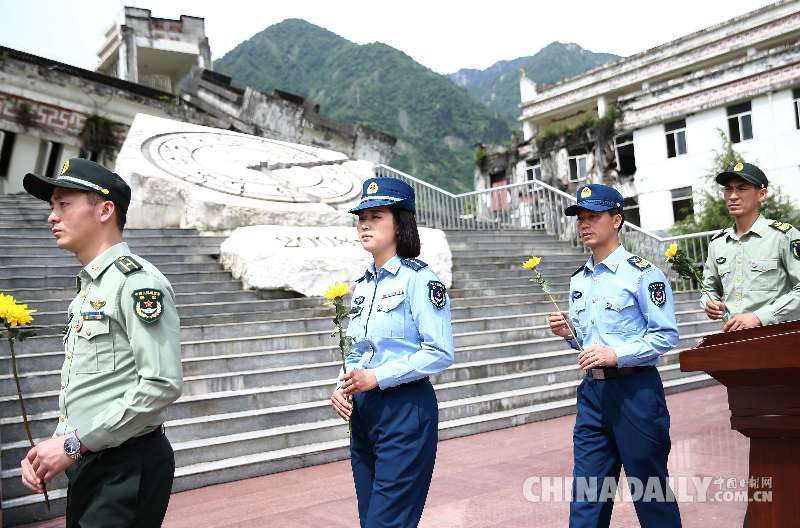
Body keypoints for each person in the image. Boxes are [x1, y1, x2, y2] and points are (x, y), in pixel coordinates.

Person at [19, 158, 183, 527]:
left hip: (125, 466)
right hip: (93, 460)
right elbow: (97, 386)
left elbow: (161, 384)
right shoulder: (92, 287)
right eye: (52, 207)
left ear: (105, 210)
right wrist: (55, 447)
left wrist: (72, 444)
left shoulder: (137, 283)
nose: (52, 217)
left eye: (64, 204)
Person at [547, 184, 681, 527]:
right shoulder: (580, 280)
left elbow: (665, 335)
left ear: (617, 220)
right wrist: (569, 335)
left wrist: (616, 354)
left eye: (593, 216)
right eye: (580, 218)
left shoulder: (643, 274)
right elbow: (587, 344)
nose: (584, 224)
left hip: (635, 392)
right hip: (593, 395)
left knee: (651, 494)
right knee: (587, 496)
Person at [329, 176, 454, 528]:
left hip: (404, 409)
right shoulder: (364, 285)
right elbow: (357, 351)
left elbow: (440, 352)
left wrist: (376, 377)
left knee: (388, 523)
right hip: (364, 414)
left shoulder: (420, 280)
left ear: (401, 223)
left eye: (376, 216)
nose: (365, 224)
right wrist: (341, 384)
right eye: (361, 217)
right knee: (371, 520)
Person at [701, 161, 800, 331]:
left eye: (741, 188)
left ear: (761, 194)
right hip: (735, 339)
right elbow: (708, 289)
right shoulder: (718, 243)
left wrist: (759, 317)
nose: (732, 196)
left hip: (779, 338)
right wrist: (709, 303)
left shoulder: (783, 236)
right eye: (728, 189)